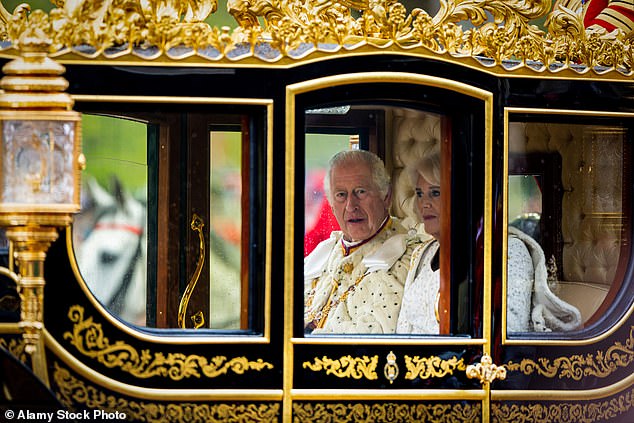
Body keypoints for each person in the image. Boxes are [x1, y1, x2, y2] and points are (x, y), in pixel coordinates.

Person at [396, 150, 582, 334]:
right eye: (420, 194)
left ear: (463, 197)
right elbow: (403, 328)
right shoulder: (423, 253)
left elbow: (508, 333)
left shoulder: (507, 251)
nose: (424, 203)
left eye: (435, 193)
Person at [304, 150, 418, 334]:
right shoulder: (325, 251)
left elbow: (375, 336)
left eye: (361, 192)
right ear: (331, 204)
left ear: (386, 196)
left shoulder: (403, 259)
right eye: (341, 195)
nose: (351, 206)